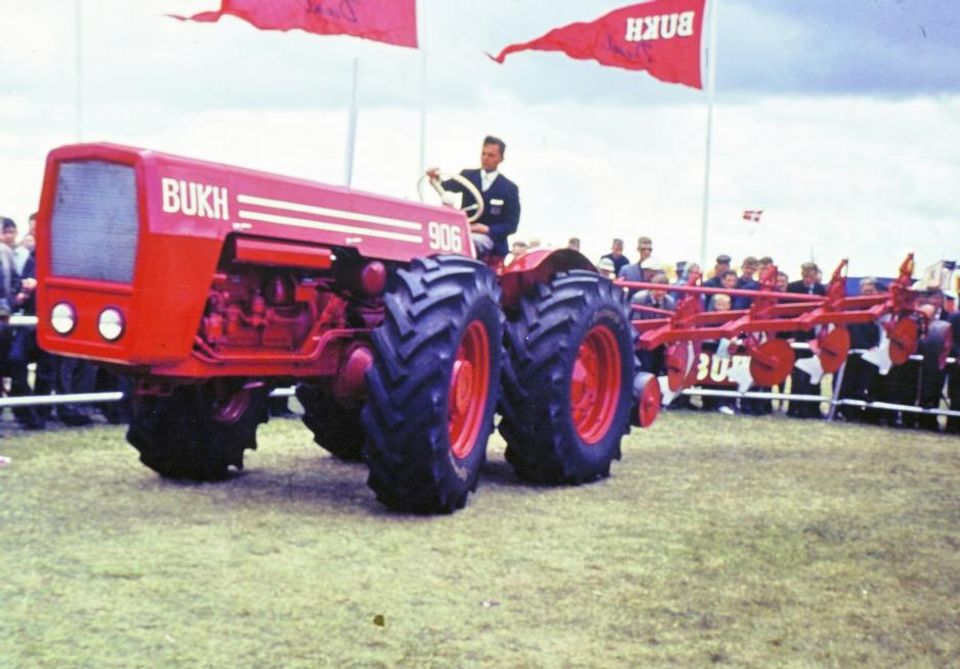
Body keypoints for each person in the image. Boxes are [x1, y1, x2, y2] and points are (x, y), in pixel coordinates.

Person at [427, 135, 520, 260]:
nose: (485, 158)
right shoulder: (468, 176)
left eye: (491, 155)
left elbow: (511, 225)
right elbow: (444, 187)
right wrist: (435, 177)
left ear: (501, 159)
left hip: (490, 240)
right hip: (463, 231)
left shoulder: (509, 188)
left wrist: (487, 229)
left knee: (469, 243)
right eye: (483, 154)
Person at [786, 262, 826, 419]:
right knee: (798, 375)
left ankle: (812, 409)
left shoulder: (822, 290)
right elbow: (788, 313)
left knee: (815, 374)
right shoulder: (793, 288)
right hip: (798, 338)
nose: (808, 276)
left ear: (816, 274)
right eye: (805, 273)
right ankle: (795, 409)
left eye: (811, 273)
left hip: (816, 340)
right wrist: (792, 335)